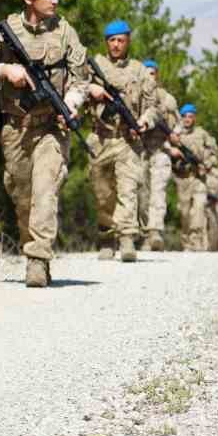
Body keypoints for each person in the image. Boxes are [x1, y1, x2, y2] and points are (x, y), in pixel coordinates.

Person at [0, 0, 91, 287]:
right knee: (22, 194)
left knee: (45, 188)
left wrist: (73, 105)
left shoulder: (66, 32)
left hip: (52, 127)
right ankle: (32, 245)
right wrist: (5, 70)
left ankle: (38, 258)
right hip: (16, 129)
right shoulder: (6, 31)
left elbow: (81, 78)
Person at [84, 20, 161, 262]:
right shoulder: (93, 67)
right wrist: (90, 90)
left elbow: (152, 107)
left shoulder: (140, 71)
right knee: (103, 192)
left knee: (128, 188)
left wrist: (145, 121)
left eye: (121, 40)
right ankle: (107, 237)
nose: (116, 45)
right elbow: (74, 88)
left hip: (128, 139)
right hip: (101, 138)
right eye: (112, 40)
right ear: (106, 42)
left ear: (128, 42)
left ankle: (127, 237)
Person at [136, 59, 184, 252]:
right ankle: (142, 233)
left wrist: (174, 136)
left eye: (152, 73)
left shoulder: (167, 99)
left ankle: (155, 231)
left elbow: (178, 124)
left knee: (158, 190)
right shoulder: (136, 96)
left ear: (157, 75)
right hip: (139, 148)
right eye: (146, 73)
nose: (149, 77)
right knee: (140, 192)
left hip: (160, 148)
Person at [171, 104, 218, 251]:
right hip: (182, 178)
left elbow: (214, 152)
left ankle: (196, 241)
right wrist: (173, 150)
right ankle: (186, 243)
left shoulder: (202, 133)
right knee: (184, 213)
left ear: (194, 118)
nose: (187, 119)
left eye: (190, 116)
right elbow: (165, 148)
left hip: (199, 178)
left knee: (198, 208)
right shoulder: (175, 134)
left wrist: (208, 164)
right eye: (185, 116)